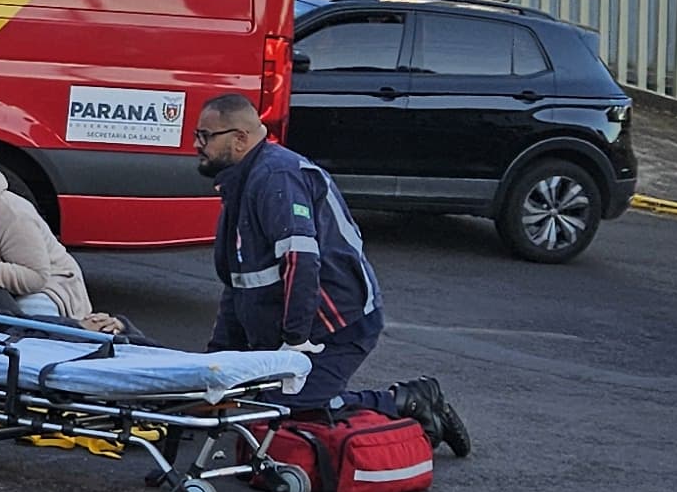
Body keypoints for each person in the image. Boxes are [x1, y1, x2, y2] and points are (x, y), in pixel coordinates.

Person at [197, 92, 472, 456]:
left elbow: (301, 261)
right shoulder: (241, 183)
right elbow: (240, 283)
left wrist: (293, 343)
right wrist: (215, 363)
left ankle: (406, 401)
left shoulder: (276, 178)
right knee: (249, 400)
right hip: (296, 326)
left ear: (240, 138)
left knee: (283, 409)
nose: (197, 145)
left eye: (206, 136)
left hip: (336, 325)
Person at [0, 145, 119, 333]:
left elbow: (37, 277)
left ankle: (67, 332)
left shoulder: (12, 214)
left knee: (31, 312)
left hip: (46, 286)